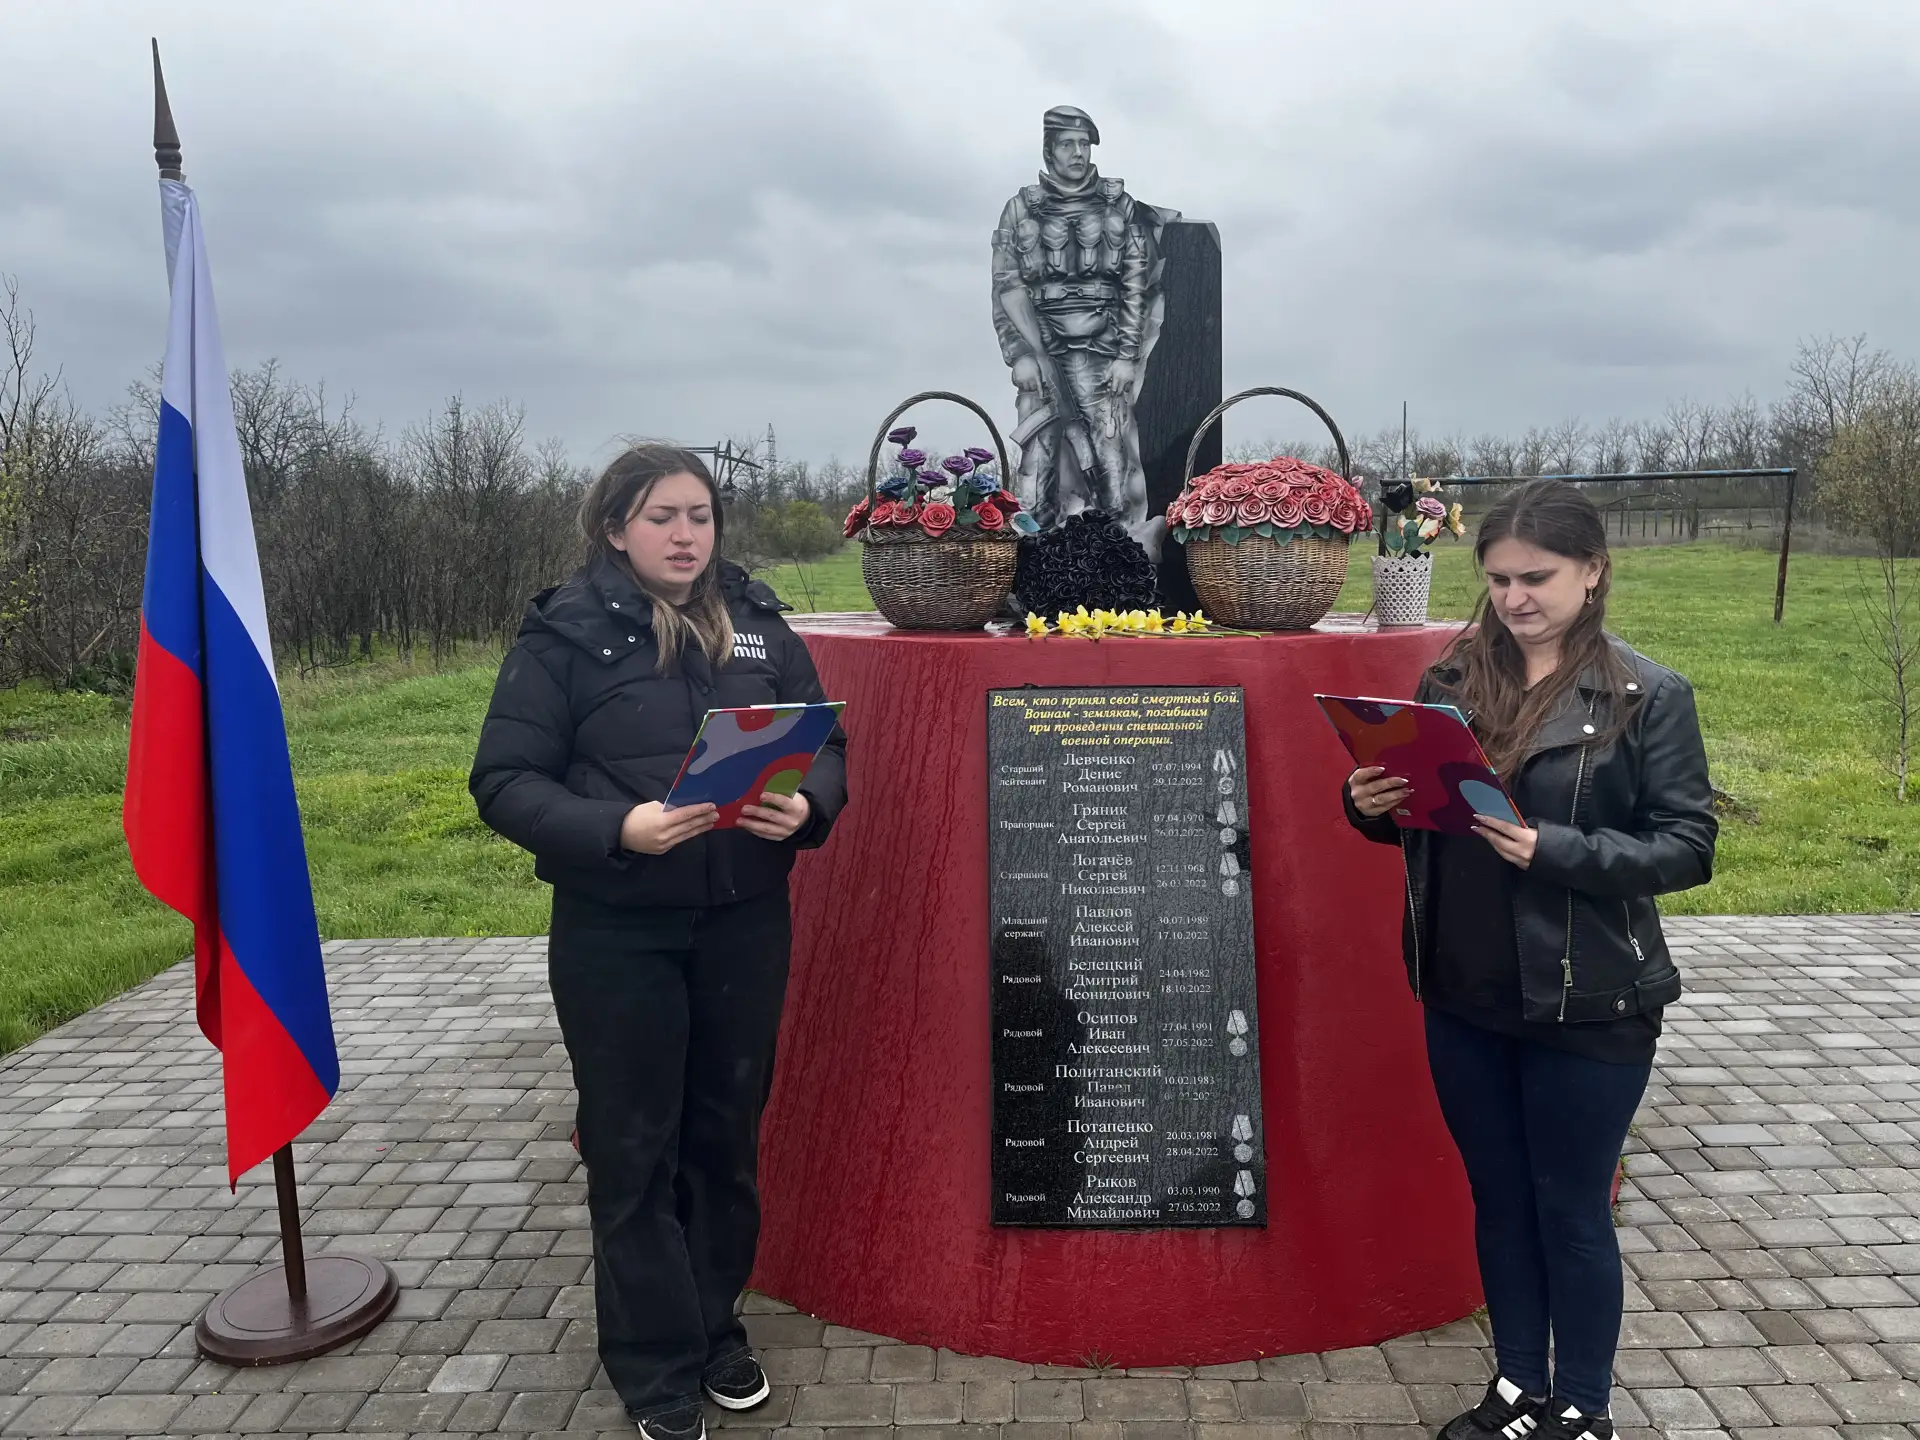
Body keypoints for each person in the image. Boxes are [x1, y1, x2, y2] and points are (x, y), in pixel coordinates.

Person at [470, 444, 847, 1440]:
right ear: (614, 529)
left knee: (723, 1137)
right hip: (616, 932)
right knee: (634, 1147)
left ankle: (715, 1326)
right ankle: (653, 1364)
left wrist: (806, 806)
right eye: (662, 517)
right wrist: (615, 831)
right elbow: (504, 781)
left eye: (701, 515)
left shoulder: (762, 625)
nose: (687, 535)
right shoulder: (561, 637)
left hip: (743, 924)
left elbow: (829, 744)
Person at [1343, 480, 1716, 1440]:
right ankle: (1516, 1386)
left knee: (1573, 1208)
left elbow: (1686, 846)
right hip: (1463, 987)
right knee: (1500, 1199)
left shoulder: (1648, 695)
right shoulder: (1452, 680)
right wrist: (1369, 804)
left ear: (1591, 573)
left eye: (1537, 577)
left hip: (1589, 1000)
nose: (1515, 597)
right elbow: (1426, 825)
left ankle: (1583, 1407)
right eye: (1500, 578)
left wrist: (1559, 849)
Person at [991, 104, 1168, 549]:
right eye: (1068, 144)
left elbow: (1136, 288)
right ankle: (1033, 562)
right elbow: (1004, 288)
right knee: (1037, 463)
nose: (1078, 153)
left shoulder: (1119, 207)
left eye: (1084, 145)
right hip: (1041, 353)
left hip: (1100, 353)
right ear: (1049, 149)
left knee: (1111, 461)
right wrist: (1021, 355)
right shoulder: (1019, 210)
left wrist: (1127, 357)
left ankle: (1119, 558)